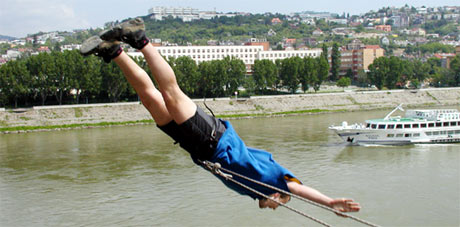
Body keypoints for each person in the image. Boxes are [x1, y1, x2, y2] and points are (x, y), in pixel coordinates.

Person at [80, 18, 360, 213]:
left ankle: (114, 51)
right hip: (212, 139)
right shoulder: (274, 178)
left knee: (150, 99)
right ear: (278, 195)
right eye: (279, 205)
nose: (273, 209)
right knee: (170, 93)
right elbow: (299, 191)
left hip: (197, 146)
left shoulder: (252, 189)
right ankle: (140, 39)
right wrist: (330, 203)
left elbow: (269, 199)